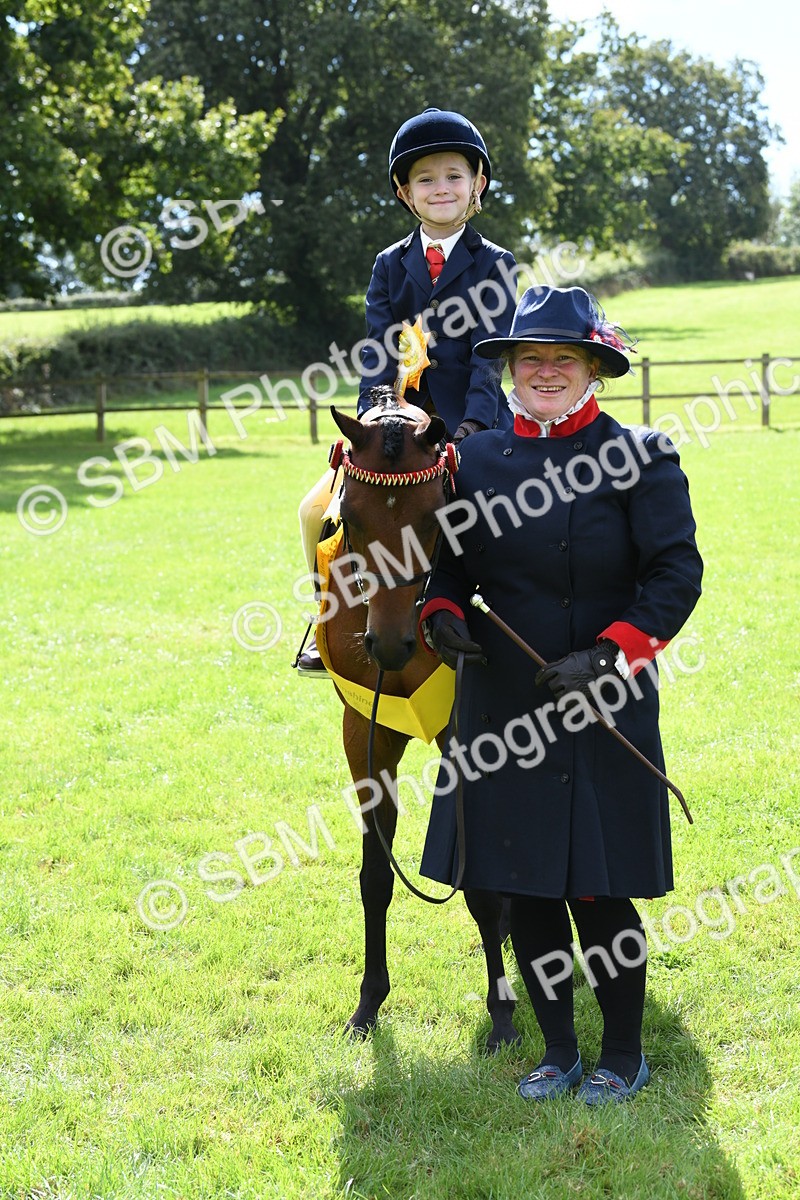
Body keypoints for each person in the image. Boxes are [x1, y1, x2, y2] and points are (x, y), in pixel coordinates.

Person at [419, 285, 703, 1104]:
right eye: (530, 359)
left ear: (593, 370)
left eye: (563, 359)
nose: (545, 372)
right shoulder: (470, 463)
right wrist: (439, 612)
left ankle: (622, 1055)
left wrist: (611, 655)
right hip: (500, 706)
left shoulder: (643, 455)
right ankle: (558, 1052)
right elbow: (450, 570)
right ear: (509, 369)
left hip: (599, 702)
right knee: (524, 884)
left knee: (596, 890)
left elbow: (676, 573)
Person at [296, 107, 518, 675]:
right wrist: (377, 415)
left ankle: (508, 619)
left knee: (502, 515)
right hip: (395, 425)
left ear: (478, 184)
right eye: (425, 179)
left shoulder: (495, 264)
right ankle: (326, 622)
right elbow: (376, 349)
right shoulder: (388, 265)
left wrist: (470, 429)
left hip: (475, 420)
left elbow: (488, 360)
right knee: (313, 509)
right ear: (404, 190)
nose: (440, 188)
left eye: (453, 176)